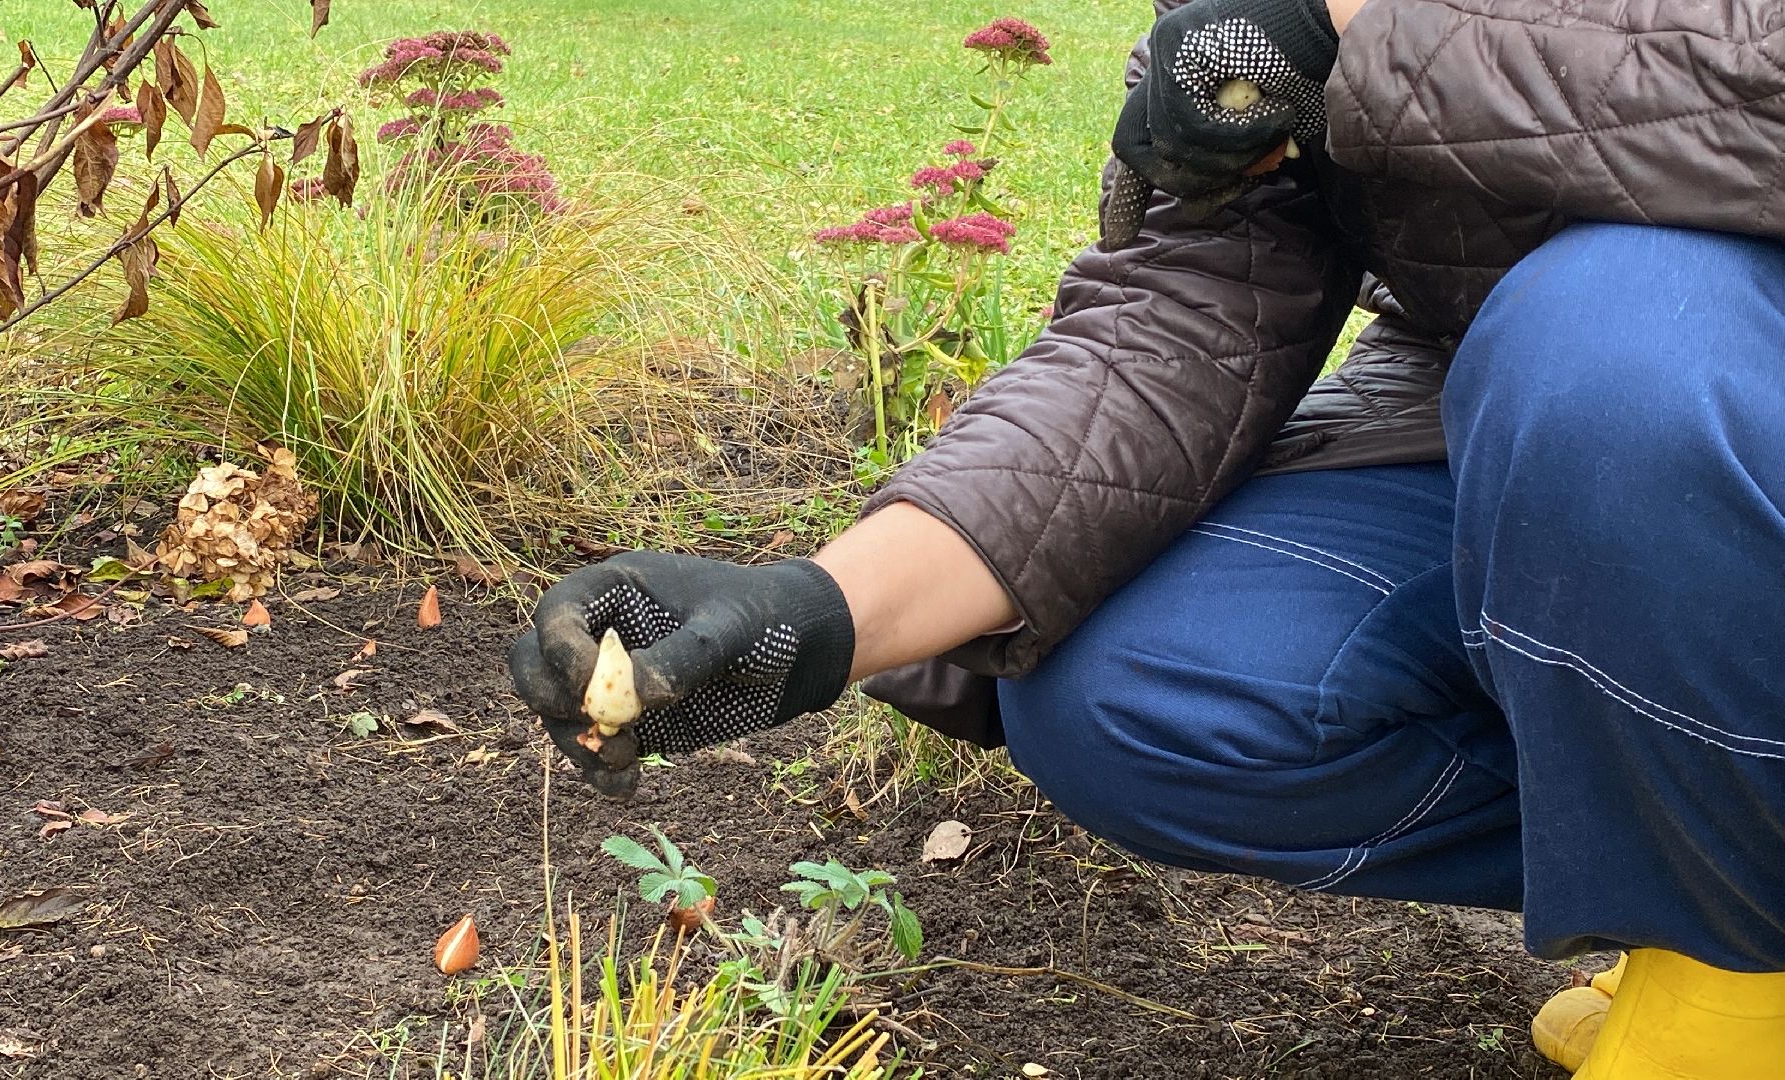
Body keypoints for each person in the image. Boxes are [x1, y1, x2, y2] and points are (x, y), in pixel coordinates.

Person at [510, 0, 1785, 1074]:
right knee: (1137, 689)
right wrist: (824, 612)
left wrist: (1349, 32)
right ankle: (1702, 906)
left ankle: (1732, 987)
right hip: (1526, 421)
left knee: (1622, 343)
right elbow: (1183, 314)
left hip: (1647, 395)